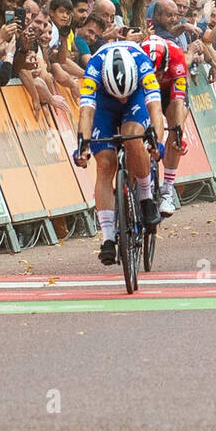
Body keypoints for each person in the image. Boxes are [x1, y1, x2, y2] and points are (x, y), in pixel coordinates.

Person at [72, 42, 167, 266]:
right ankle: (106, 239)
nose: (121, 99)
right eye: (119, 96)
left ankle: (146, 198)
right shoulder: (93, 71)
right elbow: (86, 113)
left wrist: (157, 143)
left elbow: (156, 110)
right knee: (105, 164)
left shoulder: (143, 65)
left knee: (133, 136)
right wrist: (82, 147)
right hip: (104, 103)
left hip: (137, 100)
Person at [140, 35, 189, 217]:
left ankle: (167, 189)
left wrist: (178, 133)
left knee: (177, 127)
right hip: (142, 86)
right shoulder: (137, 57)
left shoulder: (176, 56)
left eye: (159, 73)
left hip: (170, 90)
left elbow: (177, 102)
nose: (157, 77)